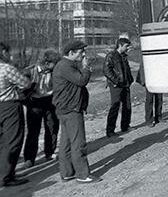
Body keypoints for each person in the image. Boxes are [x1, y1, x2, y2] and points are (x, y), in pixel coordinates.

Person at [52, 39, 99, 183]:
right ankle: (83, 175)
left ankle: (67, 173)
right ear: (71, 53)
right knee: (78, 143)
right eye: (81, 52)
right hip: (71, 109)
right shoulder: (66, 66)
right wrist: (86, 68)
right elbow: (81, 81)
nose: (83, 54)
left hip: (65, 109)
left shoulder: (65, 65)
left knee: (66, 143)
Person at [22, 49, 61, 169]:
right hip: (34, 103)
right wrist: (28, 103)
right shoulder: (29, 71)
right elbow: (21, 91)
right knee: (33, 131)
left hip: (49, 101)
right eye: (55, 63)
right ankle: (29, 158)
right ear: (47, 63)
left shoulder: (54, 71)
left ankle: (49, 153)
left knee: (52, 127)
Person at [0, 41, 32, 186]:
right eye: (8, 52)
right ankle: (7, 176)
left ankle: (3, 172)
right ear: (3, 53)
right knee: (13, 140)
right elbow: (25, 84)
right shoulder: (6, 68)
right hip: (9, 106)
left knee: (1, 142)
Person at [103, 38, 134, 137]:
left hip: (125, 84)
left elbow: (126, 70)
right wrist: (116, 81)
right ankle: (110, 131)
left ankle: (125, 126)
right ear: (120, 45)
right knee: (115, 107)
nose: (128, 48)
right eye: (126, 46)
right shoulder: (111, 56)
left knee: (127, 106)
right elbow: (106, 70)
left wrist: (130, 80)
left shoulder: (124, 56)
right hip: (116, 86)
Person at [138, 62, 162, 127]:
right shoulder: (146, 57)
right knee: (149, 100)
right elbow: (142, 69)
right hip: (149, 81)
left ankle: (158, 117)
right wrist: (143, 82)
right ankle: (149, 120)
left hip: (158, 80)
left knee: (159, 99)